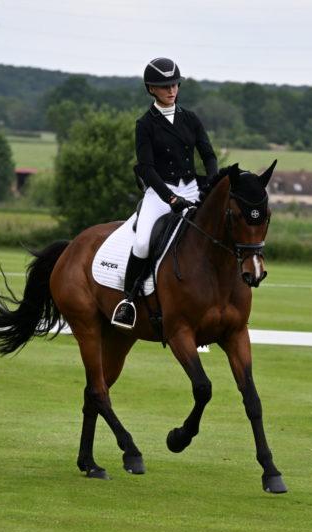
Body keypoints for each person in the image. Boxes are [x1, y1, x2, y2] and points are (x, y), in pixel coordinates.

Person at [111, 57, 219, 329]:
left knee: (212, 238)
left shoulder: (190, 119)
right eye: (165, 86)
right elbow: (146, 168)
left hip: (193, 188)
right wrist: (170, 198)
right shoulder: (145, 124)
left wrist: (212, 183)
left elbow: (208, 155)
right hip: (160, 193)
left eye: (174, 85)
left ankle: (213, 302)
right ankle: (129, 301)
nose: (172, 90)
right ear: (151, 89)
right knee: (143, 243)